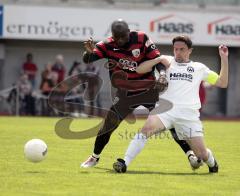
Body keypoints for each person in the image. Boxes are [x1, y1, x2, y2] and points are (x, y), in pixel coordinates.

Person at [80, 19, 198, 169]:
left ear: (129, 32)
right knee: (108, 125)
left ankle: (191, 155)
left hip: (149, 89)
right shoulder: (107, 44)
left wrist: (162, 75)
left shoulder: (142, 38)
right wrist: (88, 53)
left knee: (169, 121)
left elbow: (158, 60)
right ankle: (94, 158)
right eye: (118, 38)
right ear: (113, 37)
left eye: (124, 36)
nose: (121, 40)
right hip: (126, 92)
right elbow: (88, 59)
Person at [113, 35, 228, 173]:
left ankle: (212, 163)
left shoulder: (199, 68)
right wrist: (157, 59)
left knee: (202, 155)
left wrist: (224, 58)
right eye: (176, 49)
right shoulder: (166, 61)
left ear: (190, 50)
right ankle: (124, 162)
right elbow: (139, 69)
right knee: (146, 130)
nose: (178, 52)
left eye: (182, 49)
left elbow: (223, 82)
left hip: (188, 116)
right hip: (165, 111)